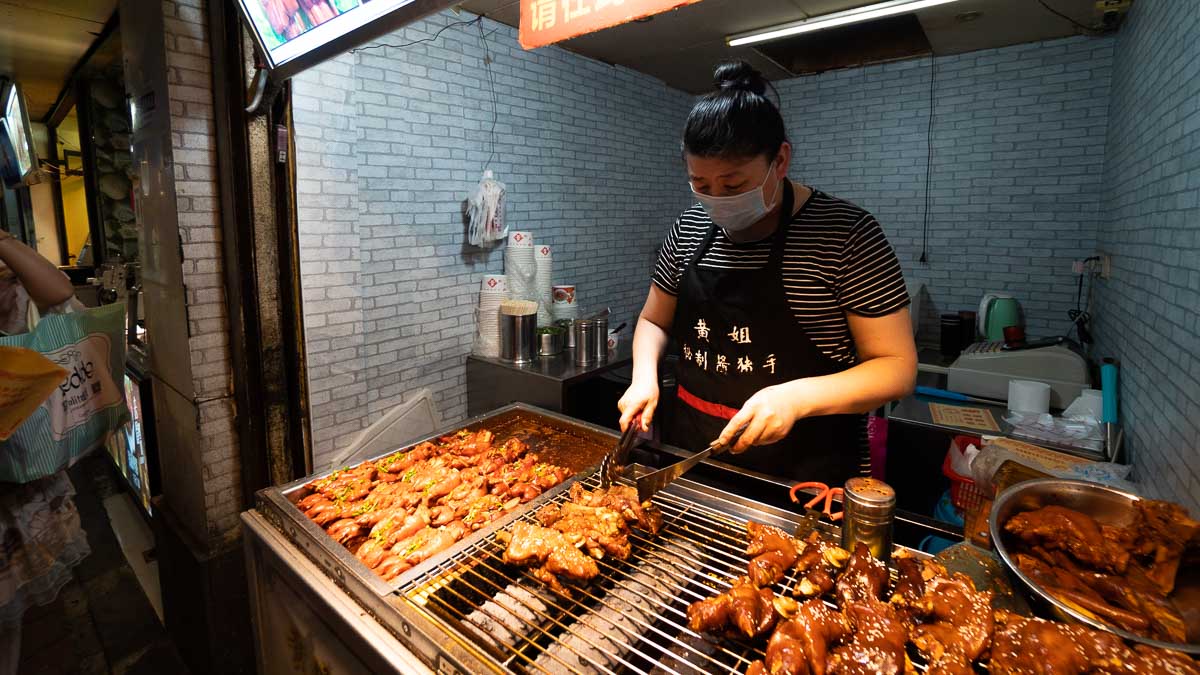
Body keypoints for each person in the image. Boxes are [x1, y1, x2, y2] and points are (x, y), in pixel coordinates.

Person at [618, 61, 917, 486]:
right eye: (700, 185)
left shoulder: (845, 234)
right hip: (696, 457)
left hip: (806, 474)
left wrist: (797, 397)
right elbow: (653, 319)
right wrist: (643, 376)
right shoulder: (688, 230)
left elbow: (897, 366)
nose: (716, 200)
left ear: (780, 160)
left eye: (734, 185)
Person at [0, 229, 89, 675]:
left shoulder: (15, 286)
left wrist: (4, 242)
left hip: (17, 470)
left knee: (9, 622)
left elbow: (59, 293)